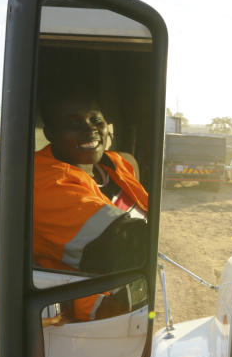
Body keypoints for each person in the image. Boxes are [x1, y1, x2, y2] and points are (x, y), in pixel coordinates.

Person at [33, 90, 149, 321]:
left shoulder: (114, 163)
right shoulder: (46, 182)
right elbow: (126, 246)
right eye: (73, 124)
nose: (90, 129)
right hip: (92, 317)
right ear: (51, 133)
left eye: (96, 120)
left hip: (132, 301)